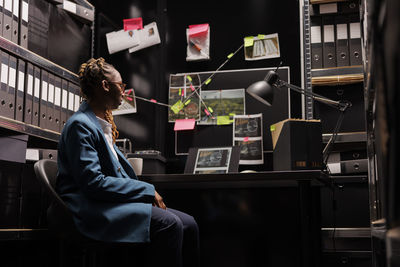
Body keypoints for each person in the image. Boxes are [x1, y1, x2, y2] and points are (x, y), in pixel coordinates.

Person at [56, 57, 200, 267]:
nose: (123, 91)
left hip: (109, 203)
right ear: (105, 86)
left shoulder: (100, 125)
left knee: (189, 224)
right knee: (170, 224)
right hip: (91, 210)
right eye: (120, 85)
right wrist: (147, 191)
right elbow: (93, 183)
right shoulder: (81, 125)